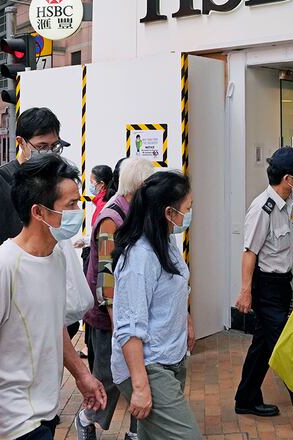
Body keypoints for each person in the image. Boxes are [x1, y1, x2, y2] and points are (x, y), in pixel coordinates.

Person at [0, 154, 106, 440]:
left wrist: (82, 375)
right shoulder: (2, 266)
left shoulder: (56, 258)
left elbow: (54, 326)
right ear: (38, 212)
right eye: (70, 205)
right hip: (13, 421)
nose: (78, 212)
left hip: (46, 411)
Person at [233, 146, 293, 436]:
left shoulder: (289, 200)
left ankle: (245, 398)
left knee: (263, 344)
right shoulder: (262, 209)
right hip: (266, 287)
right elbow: (250, 252)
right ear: (287, 178)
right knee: (288, 347)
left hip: (283, 285)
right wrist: (245, 291)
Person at [111, 170, 200, 440]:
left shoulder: (167, 241)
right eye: (188, 208)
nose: (190, 213)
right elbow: (128, 328)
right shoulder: (139, 259)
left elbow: (174, 287)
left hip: (169, 356)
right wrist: (140, 386)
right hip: (149, 365)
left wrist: (186, 320)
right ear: (169, 212)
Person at [77, 158, 155, 440]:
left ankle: (136, 433)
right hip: (109, 319)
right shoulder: (112, 218)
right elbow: (105, 279)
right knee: (108, 380)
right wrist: (119, 328)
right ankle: (85, 419)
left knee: (137, 378)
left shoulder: (136, 212)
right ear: (139, 186)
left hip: (131, 316)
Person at [0, 107, 70, 266]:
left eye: (54, 146)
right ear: (20, 142)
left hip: (48, 270)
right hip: (10, 275)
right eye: (42, 146)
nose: (49, 152)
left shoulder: (57, 181)